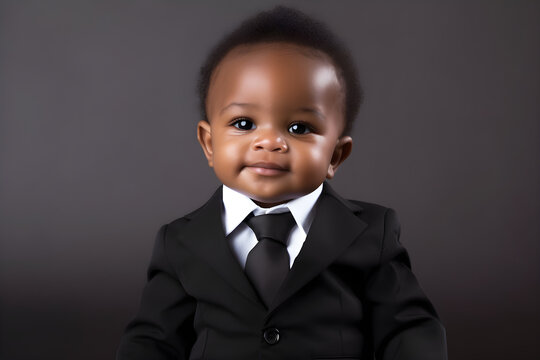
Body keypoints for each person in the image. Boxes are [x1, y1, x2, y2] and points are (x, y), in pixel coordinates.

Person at [116, 5, 447, 360]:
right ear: (209, 144)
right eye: (244, 123)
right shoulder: (181, 242)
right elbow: (153, 340)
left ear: (335, 156)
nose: (270, 142)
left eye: (299, 128)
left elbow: (410, 329)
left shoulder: (370, 234)